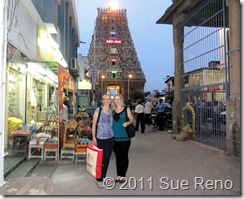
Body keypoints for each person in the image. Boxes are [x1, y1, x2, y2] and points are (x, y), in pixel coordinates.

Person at [91, 94, 114, 188]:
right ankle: (99, 179)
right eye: (105, 99)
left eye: (109, 99)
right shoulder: (98, 110)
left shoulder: (111, 110)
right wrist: (94, 137)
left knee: (107, 158)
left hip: (110, 137)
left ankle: (103, 177)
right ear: (102, 100)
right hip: (101, 138)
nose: (107, 101)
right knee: (101, 159)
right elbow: (94, 124)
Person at [111, 93, 134, 183]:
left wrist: (127, 123)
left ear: (121, 99)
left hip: (124, 137)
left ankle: (123, 176)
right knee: (118, 157)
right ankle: (118, 175)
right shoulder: (112, 110)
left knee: (124, 156)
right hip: (114, 138)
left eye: (118, 99)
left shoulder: (126, 109)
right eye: (115, 99)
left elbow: (132, 119)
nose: (117, 101)